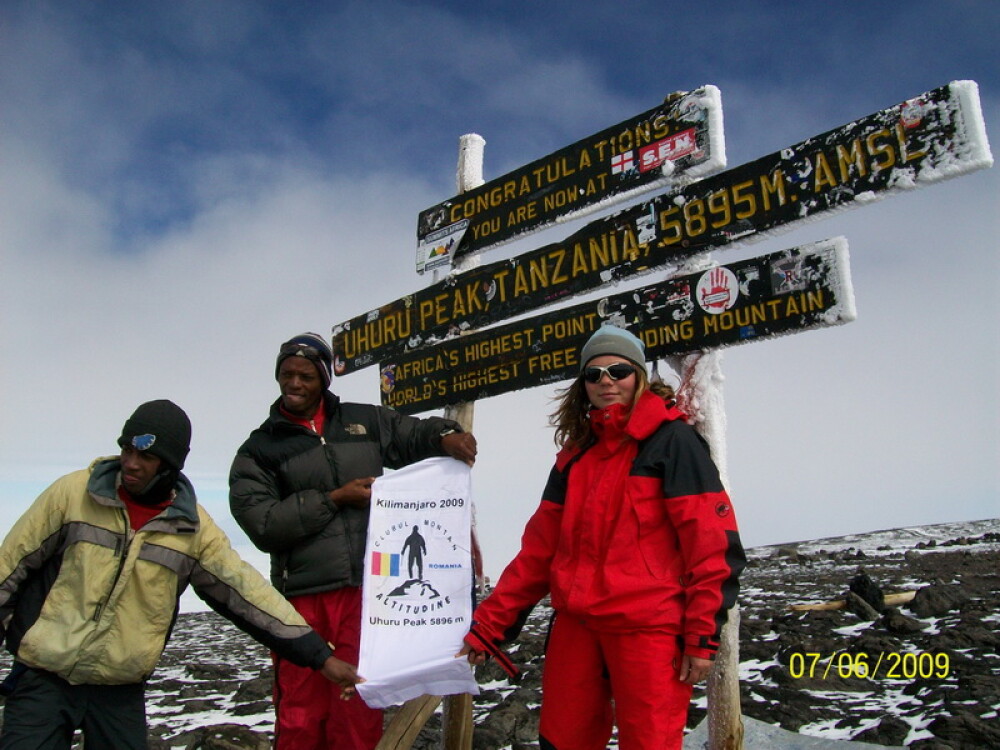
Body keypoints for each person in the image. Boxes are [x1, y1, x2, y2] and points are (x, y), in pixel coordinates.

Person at [0, 400, 360, 750]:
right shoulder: (72, 494)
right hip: (42, 678)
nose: (131, 463)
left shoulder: (192, 528)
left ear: (170, 465)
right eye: (127, 450)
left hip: (119, 691)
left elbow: (248, 595)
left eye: (146, 456)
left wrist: (320, 657)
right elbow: (8, 568)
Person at [459, 325, 746, 750]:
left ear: (640, 377)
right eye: (594, 375)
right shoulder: (576, 456)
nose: (606, 381)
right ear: (583, 386)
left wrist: (701, 636)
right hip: (577, 628)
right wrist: (489, 625)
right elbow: (538, 554)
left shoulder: (673, 442)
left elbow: (711, 546)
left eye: (618, 370)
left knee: (650, 743)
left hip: (648, 631)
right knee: (561, 741)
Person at [229, 332, 478, 750]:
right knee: (300, 713)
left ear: (324, 378)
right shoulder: (259, 449)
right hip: (301, 599)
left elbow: (410, 434)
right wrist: (333, 499)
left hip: (367, 595)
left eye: (305, 375)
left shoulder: (366, 420)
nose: (294, 384)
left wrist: (445, 435)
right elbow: (263, 524)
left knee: (357, 705)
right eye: (286, 374)